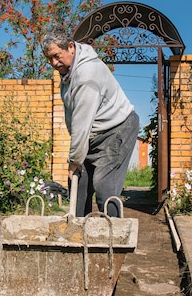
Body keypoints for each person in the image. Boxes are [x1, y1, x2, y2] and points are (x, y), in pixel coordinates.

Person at [41, 28, 139, 217]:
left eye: (56, 56)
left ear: (70, 47)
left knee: (104, 186)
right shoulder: (69, 72)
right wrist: (77, 162)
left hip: (117, 129)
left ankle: (112, 237)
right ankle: (79, 235)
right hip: (94, 134)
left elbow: (81, 121)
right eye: (50, 59)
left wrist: (74, 160)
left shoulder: (86, 74)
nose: (54, 63)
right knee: (78, 182)